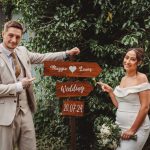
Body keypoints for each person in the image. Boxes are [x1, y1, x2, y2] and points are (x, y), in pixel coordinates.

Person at [0, 20, 80, 150]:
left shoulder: (22, 51)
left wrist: (66, 53)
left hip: (25, 112)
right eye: (10, 35)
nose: (14, 40)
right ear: (3, 34)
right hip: (4, 116)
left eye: (18, 37)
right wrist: (19, 86)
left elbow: (42, 57)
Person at [97, 48, 150, 150]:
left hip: (137, 129)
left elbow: (145, 107)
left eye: (132, 59)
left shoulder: (142, 78)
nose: (127, 61)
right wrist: (111, 92)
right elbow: (119, 106)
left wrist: (132, 130)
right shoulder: (123, 79)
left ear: (139, 62)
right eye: (126, 57)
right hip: (120, 129)